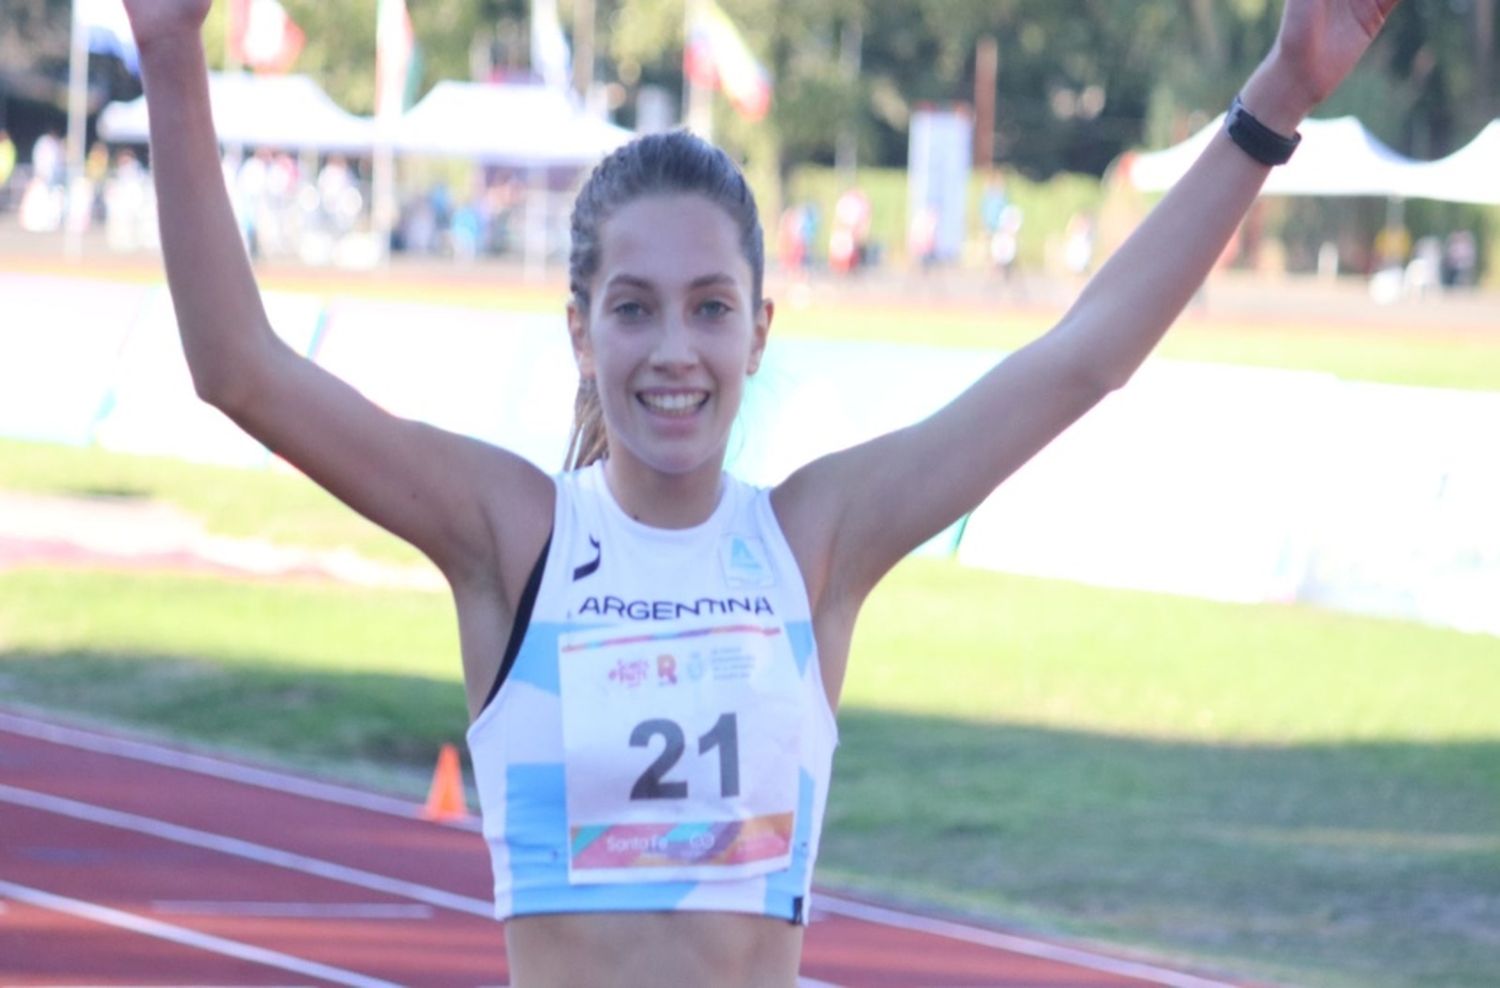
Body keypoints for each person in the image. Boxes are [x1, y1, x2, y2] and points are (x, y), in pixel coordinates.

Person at [119, 0, 1401, 984]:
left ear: (759, 331)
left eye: (709, 308)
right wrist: (174, 54)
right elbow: (238, 368)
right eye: (634, 309)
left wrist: (1278, 95)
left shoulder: (816, 541)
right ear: (580, 331)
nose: (673, 348)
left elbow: (1083, 358)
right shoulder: (512, 539)